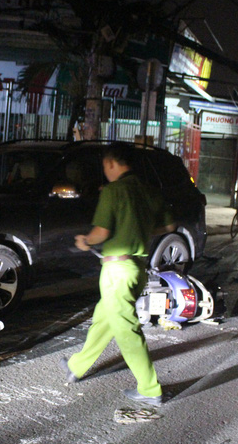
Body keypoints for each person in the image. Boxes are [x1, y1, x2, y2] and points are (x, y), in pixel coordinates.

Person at [59, 142, 173, 406]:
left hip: (116, 270)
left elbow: (102, 232)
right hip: (137, 268)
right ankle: (77, 365)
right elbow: (169, 225)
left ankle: (149, 388)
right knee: (104, 318)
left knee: (126, 329)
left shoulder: (114, 191)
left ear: (111, 163)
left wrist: (85, 241)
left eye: (104, 167)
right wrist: (140, 231)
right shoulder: (149, 190)